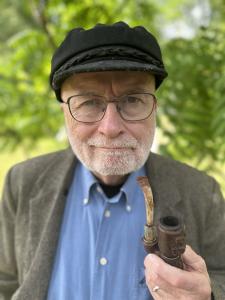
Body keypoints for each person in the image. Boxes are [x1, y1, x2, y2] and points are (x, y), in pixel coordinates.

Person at [0, 21, 224, 300]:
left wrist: (209, 294)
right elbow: (6, 280)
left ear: (154, 106)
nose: (110, 127)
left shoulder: (202, 192)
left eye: (132, 100)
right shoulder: (21, 183)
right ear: (64, 112)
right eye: (89, 102)